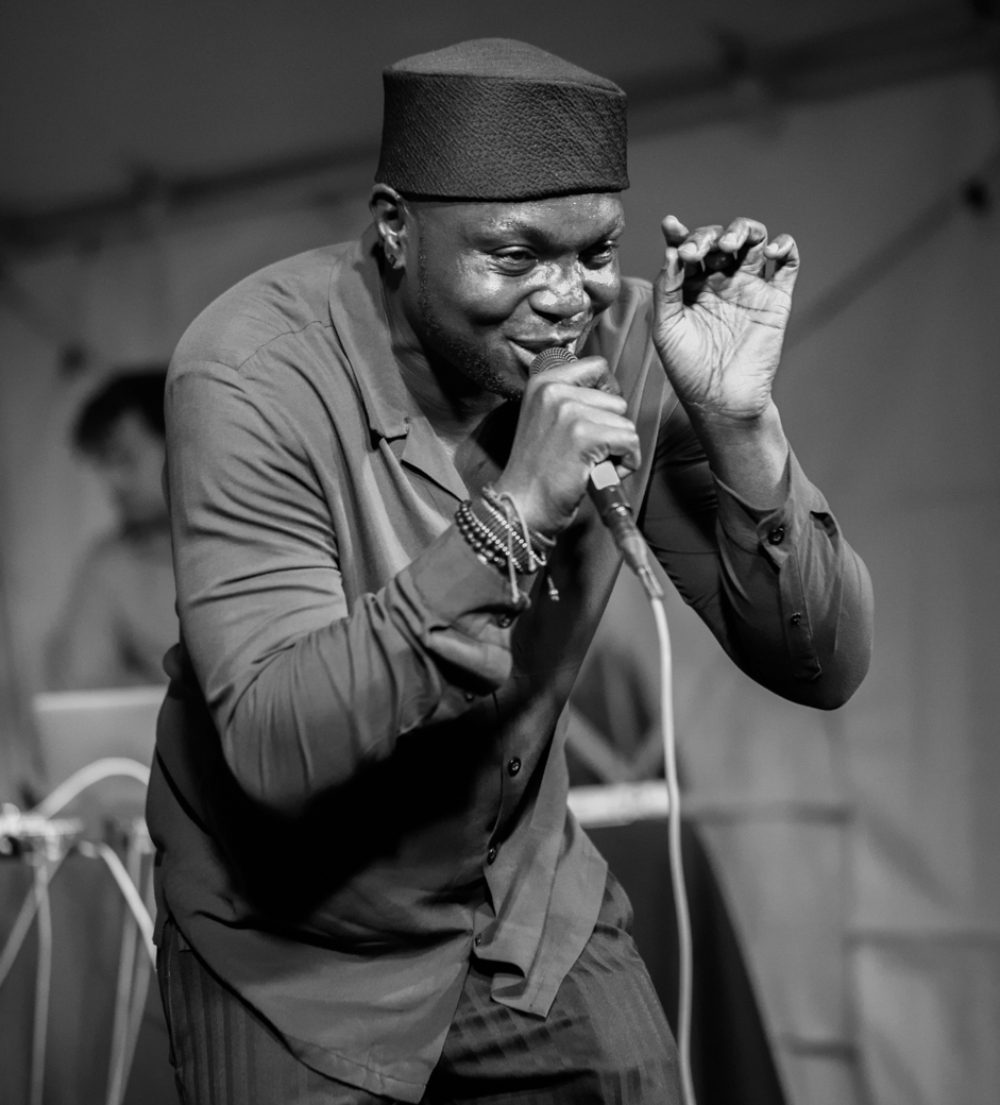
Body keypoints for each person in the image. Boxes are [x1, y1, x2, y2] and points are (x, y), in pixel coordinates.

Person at [147, 38, 874, 1105]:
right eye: (515, 255)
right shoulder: (251, 374)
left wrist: (742, 425)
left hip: (520, 907)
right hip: (291, 937)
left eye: (596, 250)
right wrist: (511, 519)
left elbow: (822, 664)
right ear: (395, 228)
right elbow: (273, 742)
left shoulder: (632, 341)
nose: (569, 297)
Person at [46, 367, 175, 689]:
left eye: (125, 458)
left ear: (182, 441)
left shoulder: (262, 535)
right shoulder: (110, 565)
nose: (113, 480)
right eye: (104, 463)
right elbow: (81, 688)